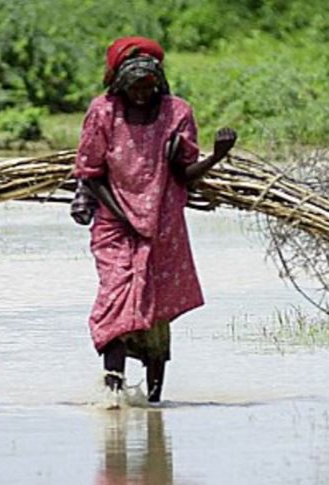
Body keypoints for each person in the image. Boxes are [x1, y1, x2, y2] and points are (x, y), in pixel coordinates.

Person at [71, 36, 237, 403]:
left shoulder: (177, 112)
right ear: (120, 85)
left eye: (149, 86)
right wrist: (126, 216)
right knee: (116, 298)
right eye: (135, 87)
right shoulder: (103, 112)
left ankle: (154, 403)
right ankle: (113, 394)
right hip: (115, 225)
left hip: (163, 226)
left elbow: (184, 173)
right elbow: (91, 175)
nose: (142, 94)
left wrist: (216, 157)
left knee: (155, 308)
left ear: (159, 83)